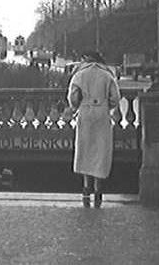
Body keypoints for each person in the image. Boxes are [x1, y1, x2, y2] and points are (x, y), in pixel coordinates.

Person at [67, 50, 121, 208]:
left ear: (85, 59)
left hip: (85, 112)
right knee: (100, 150)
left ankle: (85, 187)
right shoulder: (107, 74)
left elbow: (73, 97)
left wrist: (77, 105)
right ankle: (98, 189)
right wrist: (106, 106)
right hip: (101, 113)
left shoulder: (79, 74)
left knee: (85, 149)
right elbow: (115, 98)